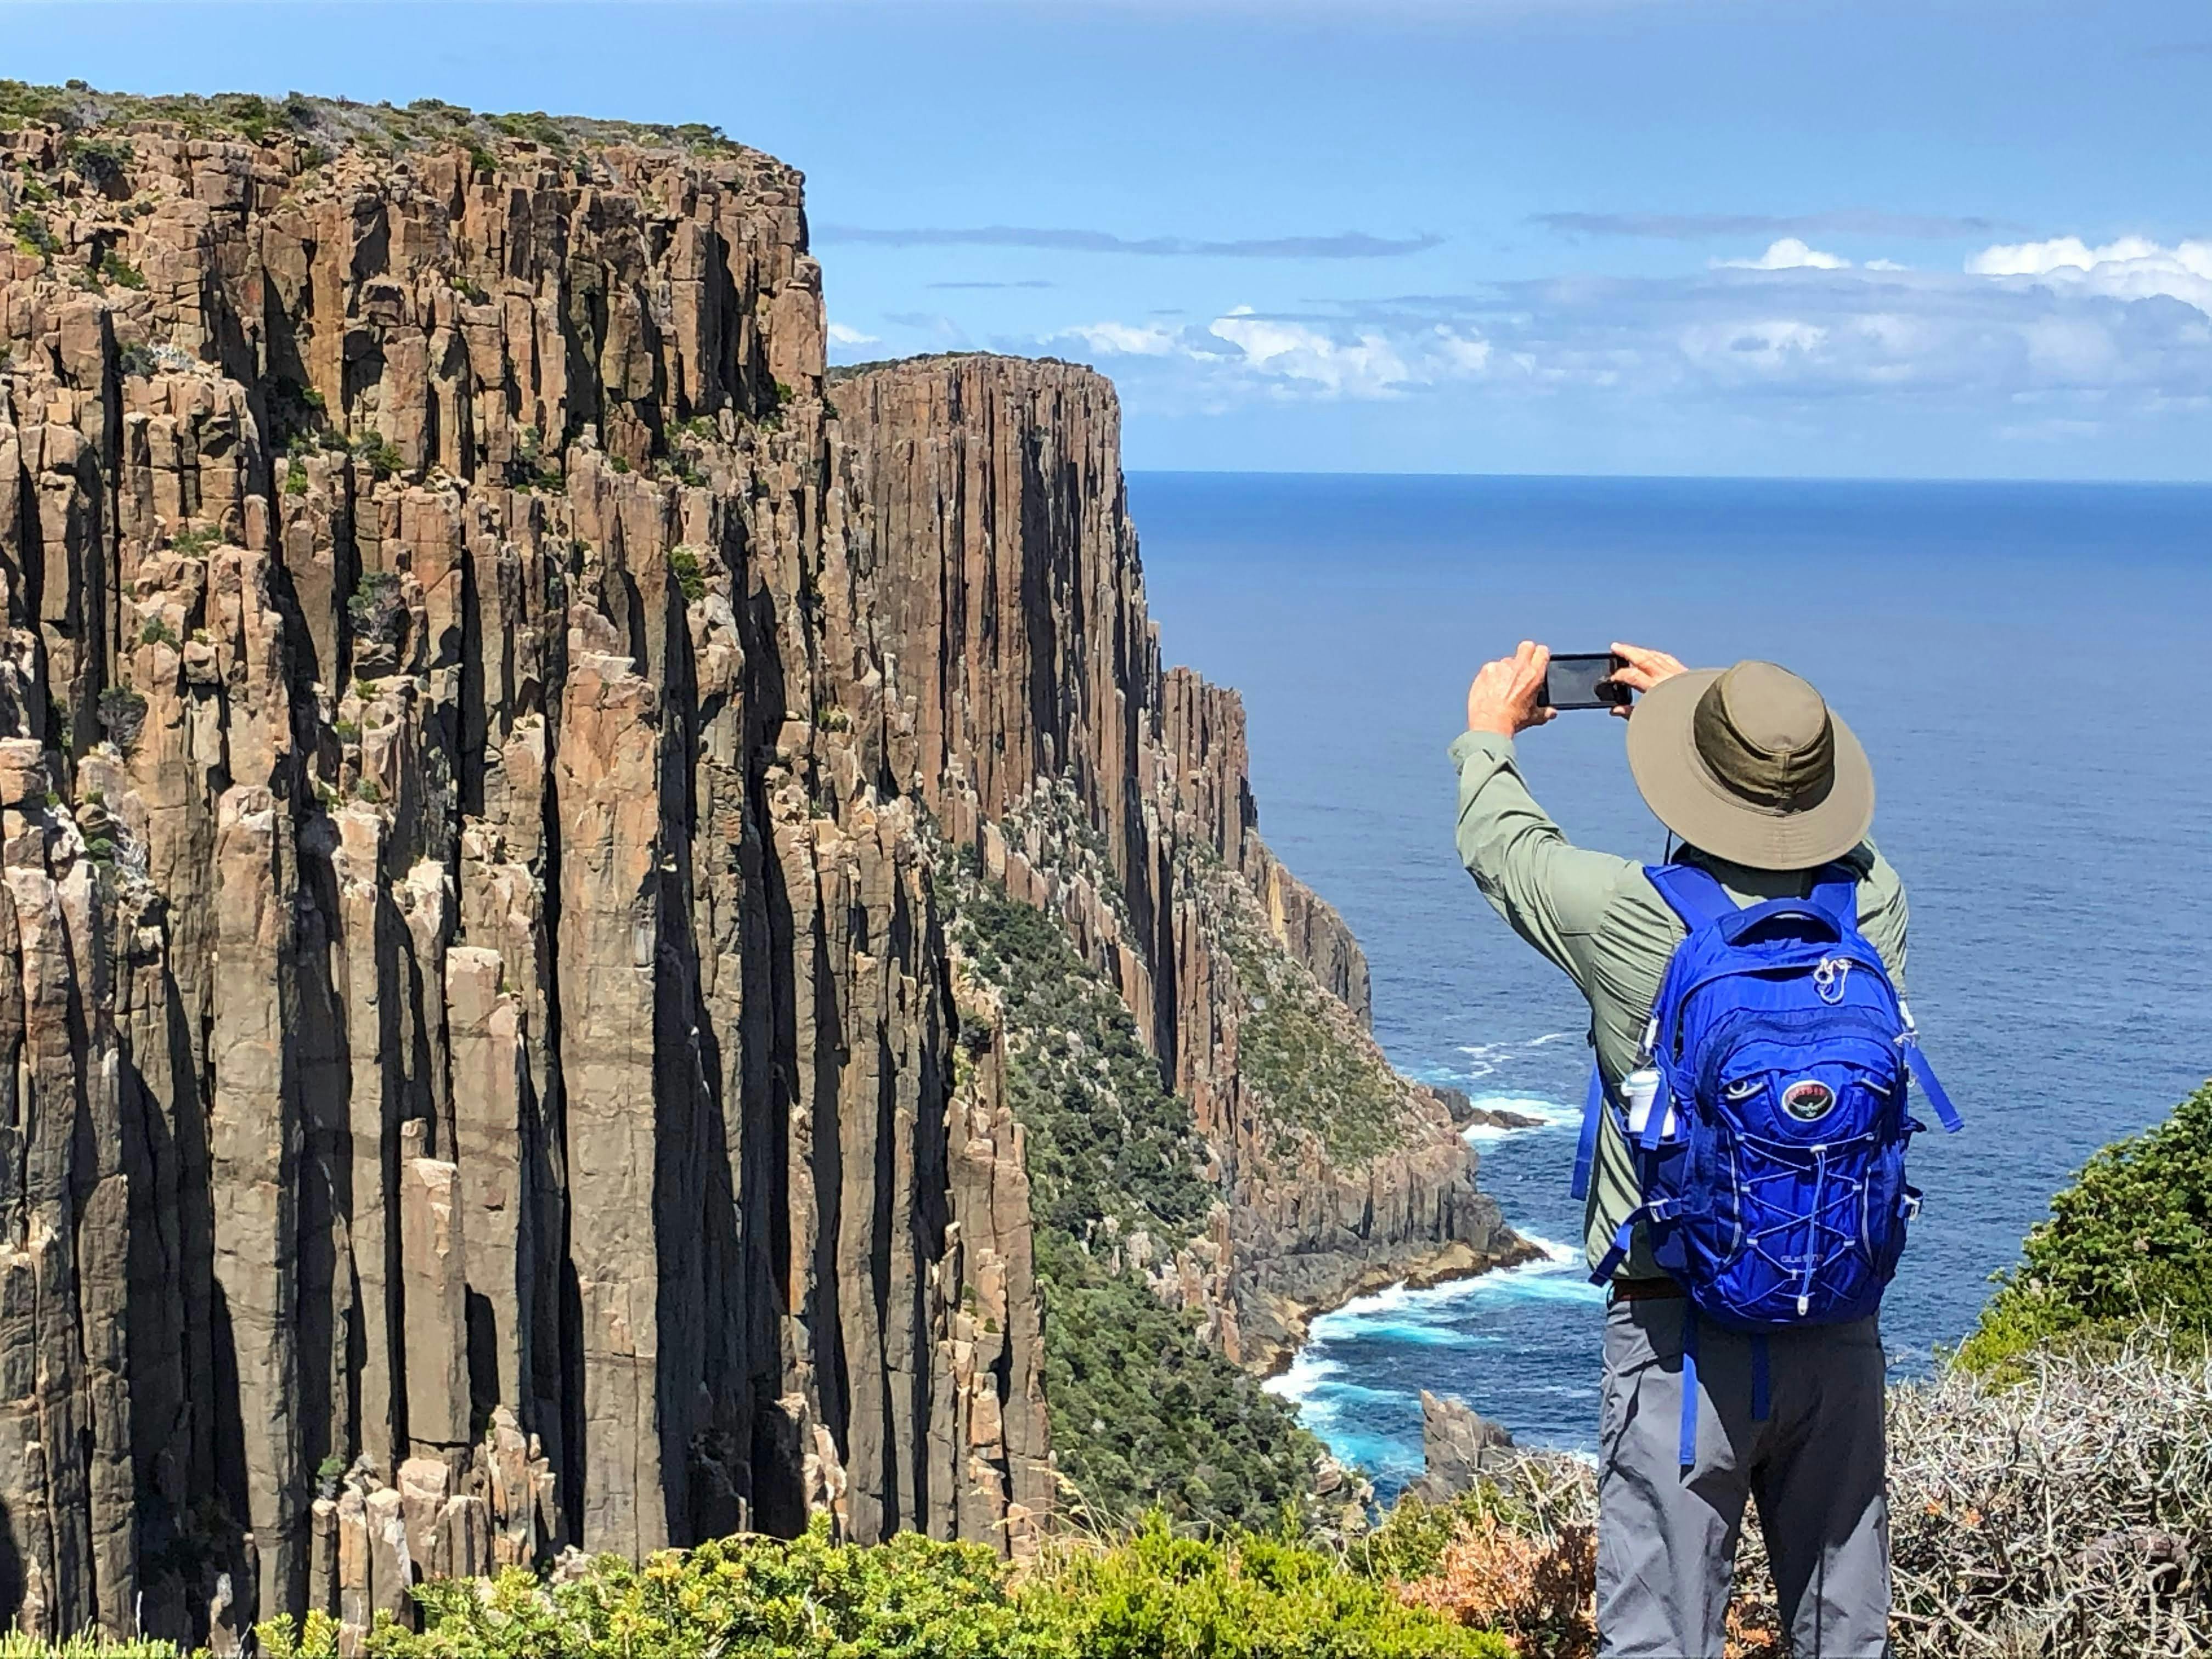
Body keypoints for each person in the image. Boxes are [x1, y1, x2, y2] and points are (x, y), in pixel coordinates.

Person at [1452, 641, 1904, 1659]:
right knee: (1845, 1636)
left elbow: (1505, 850)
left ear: (1696, 784)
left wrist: (1492, 733)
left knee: (1659, 1636)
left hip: (1677, 1337)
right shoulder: (1875, 912)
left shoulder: (1628, 915)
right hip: (1836, 1329)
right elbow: (1856, 850)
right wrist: (1733, 741)